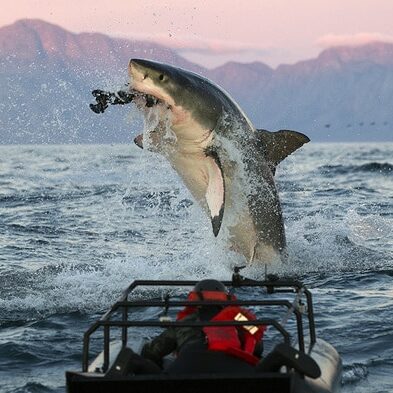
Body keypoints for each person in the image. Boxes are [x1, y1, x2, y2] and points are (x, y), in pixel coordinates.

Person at [141, 279, 266, 374]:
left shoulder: (185, 321)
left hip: (188, 366)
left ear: (196, 299)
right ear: (225, 298)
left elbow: (153, 352)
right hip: (231, 367)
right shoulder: (239, 318)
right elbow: (258, 346)